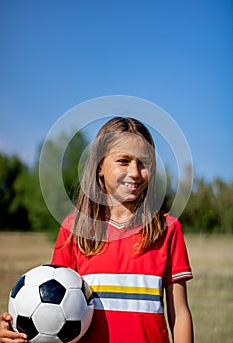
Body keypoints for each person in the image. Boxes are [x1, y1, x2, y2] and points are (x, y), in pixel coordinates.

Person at [0, 117, 194, 343]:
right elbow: (50, 308)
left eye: (144, 163)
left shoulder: (167, 229)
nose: (134, 172)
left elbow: (179, 313)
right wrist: (15, 327)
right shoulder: (74, 230)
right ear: (100, 166)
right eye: (123, 161)